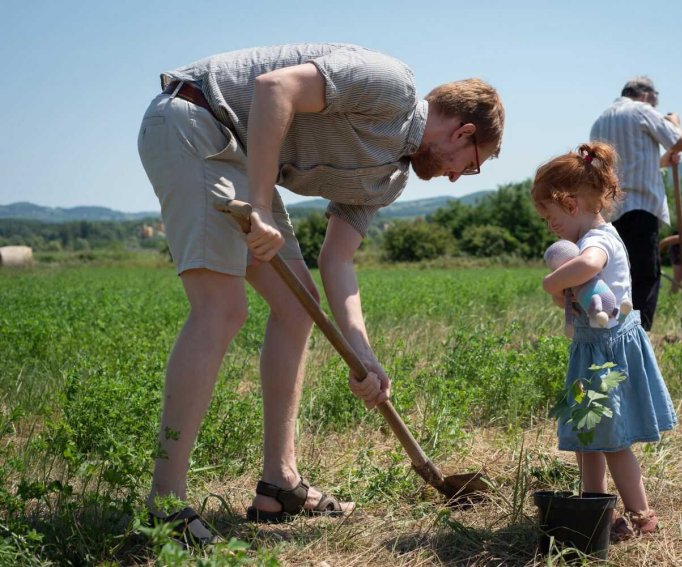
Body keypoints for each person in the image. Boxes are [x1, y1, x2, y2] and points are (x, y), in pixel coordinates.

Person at [137, 43, 505, 544]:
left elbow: (338, 260)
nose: (459, 176)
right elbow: (275, 89)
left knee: (295, 307)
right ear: (464, 132)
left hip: (240, 155)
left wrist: (365, 355)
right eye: (472, 163)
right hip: (197, 117)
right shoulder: (391, 85)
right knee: (221, 308)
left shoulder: (390, 178)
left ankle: (280, 483)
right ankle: (164, 503)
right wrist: (262, 207)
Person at [531, 142, 677, 541]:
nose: (550, 226)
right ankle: (595, 507)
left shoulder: (599, 239)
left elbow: (592, 265)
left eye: (551, 216)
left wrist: (551, 282)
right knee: (586, 435)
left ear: (571, 202)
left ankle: (641, 513)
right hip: (591, 349)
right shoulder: (587, 237)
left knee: (612, 441)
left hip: (608, 354)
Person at [590, 76, 682, 331]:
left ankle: (612, 329)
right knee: (644, 275)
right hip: (642, 205)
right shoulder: (642, 110)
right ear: (645, 95)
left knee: (618, 275)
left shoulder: (601, 120)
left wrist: (664, 161)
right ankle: (638, 335)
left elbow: (625, 165)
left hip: (610, 210)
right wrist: (675, 121)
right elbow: (680, 141)